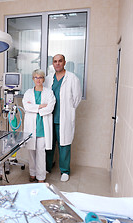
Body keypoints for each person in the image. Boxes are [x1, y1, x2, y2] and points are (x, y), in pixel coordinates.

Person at [44, 54, 82, 182]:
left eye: (60, 61)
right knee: (49, 144)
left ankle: (65, 170)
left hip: (64, 118)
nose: (57, 63)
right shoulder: (49, 79)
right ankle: (47, 167)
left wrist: (68, 110)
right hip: (50, 117)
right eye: (55, 61)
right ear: (52, 64)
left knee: (64, 145)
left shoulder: (72, 78)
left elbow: (76, 99)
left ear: (64, 62)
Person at [22, 69, 56, 183]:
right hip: (31, 125)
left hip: (42, 126)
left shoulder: (49, 92)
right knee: (31, 151)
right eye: (36, 77)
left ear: (43, 79)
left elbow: (50, 107)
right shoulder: (28, 93)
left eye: (40, 77)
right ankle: (32, 173)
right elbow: (26, 107)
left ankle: (41, 177)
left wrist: (36, 109)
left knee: (41, 152)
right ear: (33, 79)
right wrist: (41, 106)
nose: (38, 79)